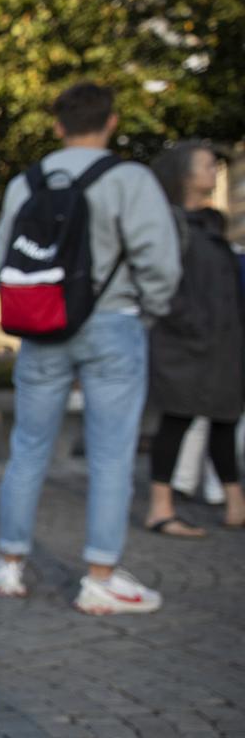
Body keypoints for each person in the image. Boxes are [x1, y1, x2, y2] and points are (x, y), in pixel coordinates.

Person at [0, 82, 181, 614]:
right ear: (111, 122)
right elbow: (158, 261)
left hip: (43, 328)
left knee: (28, 447)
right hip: (113, 323)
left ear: (57, 125)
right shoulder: (129, 179)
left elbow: (3, 262)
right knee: (111, 454)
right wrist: (148, 308)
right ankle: (100, 575)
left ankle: (10, 565)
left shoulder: (26, 183)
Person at [143, 141, 245, 536]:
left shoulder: (212, 225)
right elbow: (162, 287)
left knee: (224, 420)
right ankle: (161, 507)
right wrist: (192, 324)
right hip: (183, 345)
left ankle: (236, 504)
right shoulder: (170, 223)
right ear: (184, 173)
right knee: (176, 421)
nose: (215, 171)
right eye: (207, 164)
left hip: (221, 344)